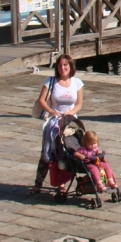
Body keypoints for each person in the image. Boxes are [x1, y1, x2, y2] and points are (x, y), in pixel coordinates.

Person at [27, 54, 84, 196]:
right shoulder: (51, 81)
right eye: (60, 65)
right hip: (54, 121)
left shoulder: (77, 83)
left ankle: (62, 183)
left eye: (65, 65)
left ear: (70, 66)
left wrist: (71, 113)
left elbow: (79, 104)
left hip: (70, 122)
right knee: (48, 151)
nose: (62, 68)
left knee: (66, 152)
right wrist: (51, 111)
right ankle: (38, 184)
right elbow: (41, 100)